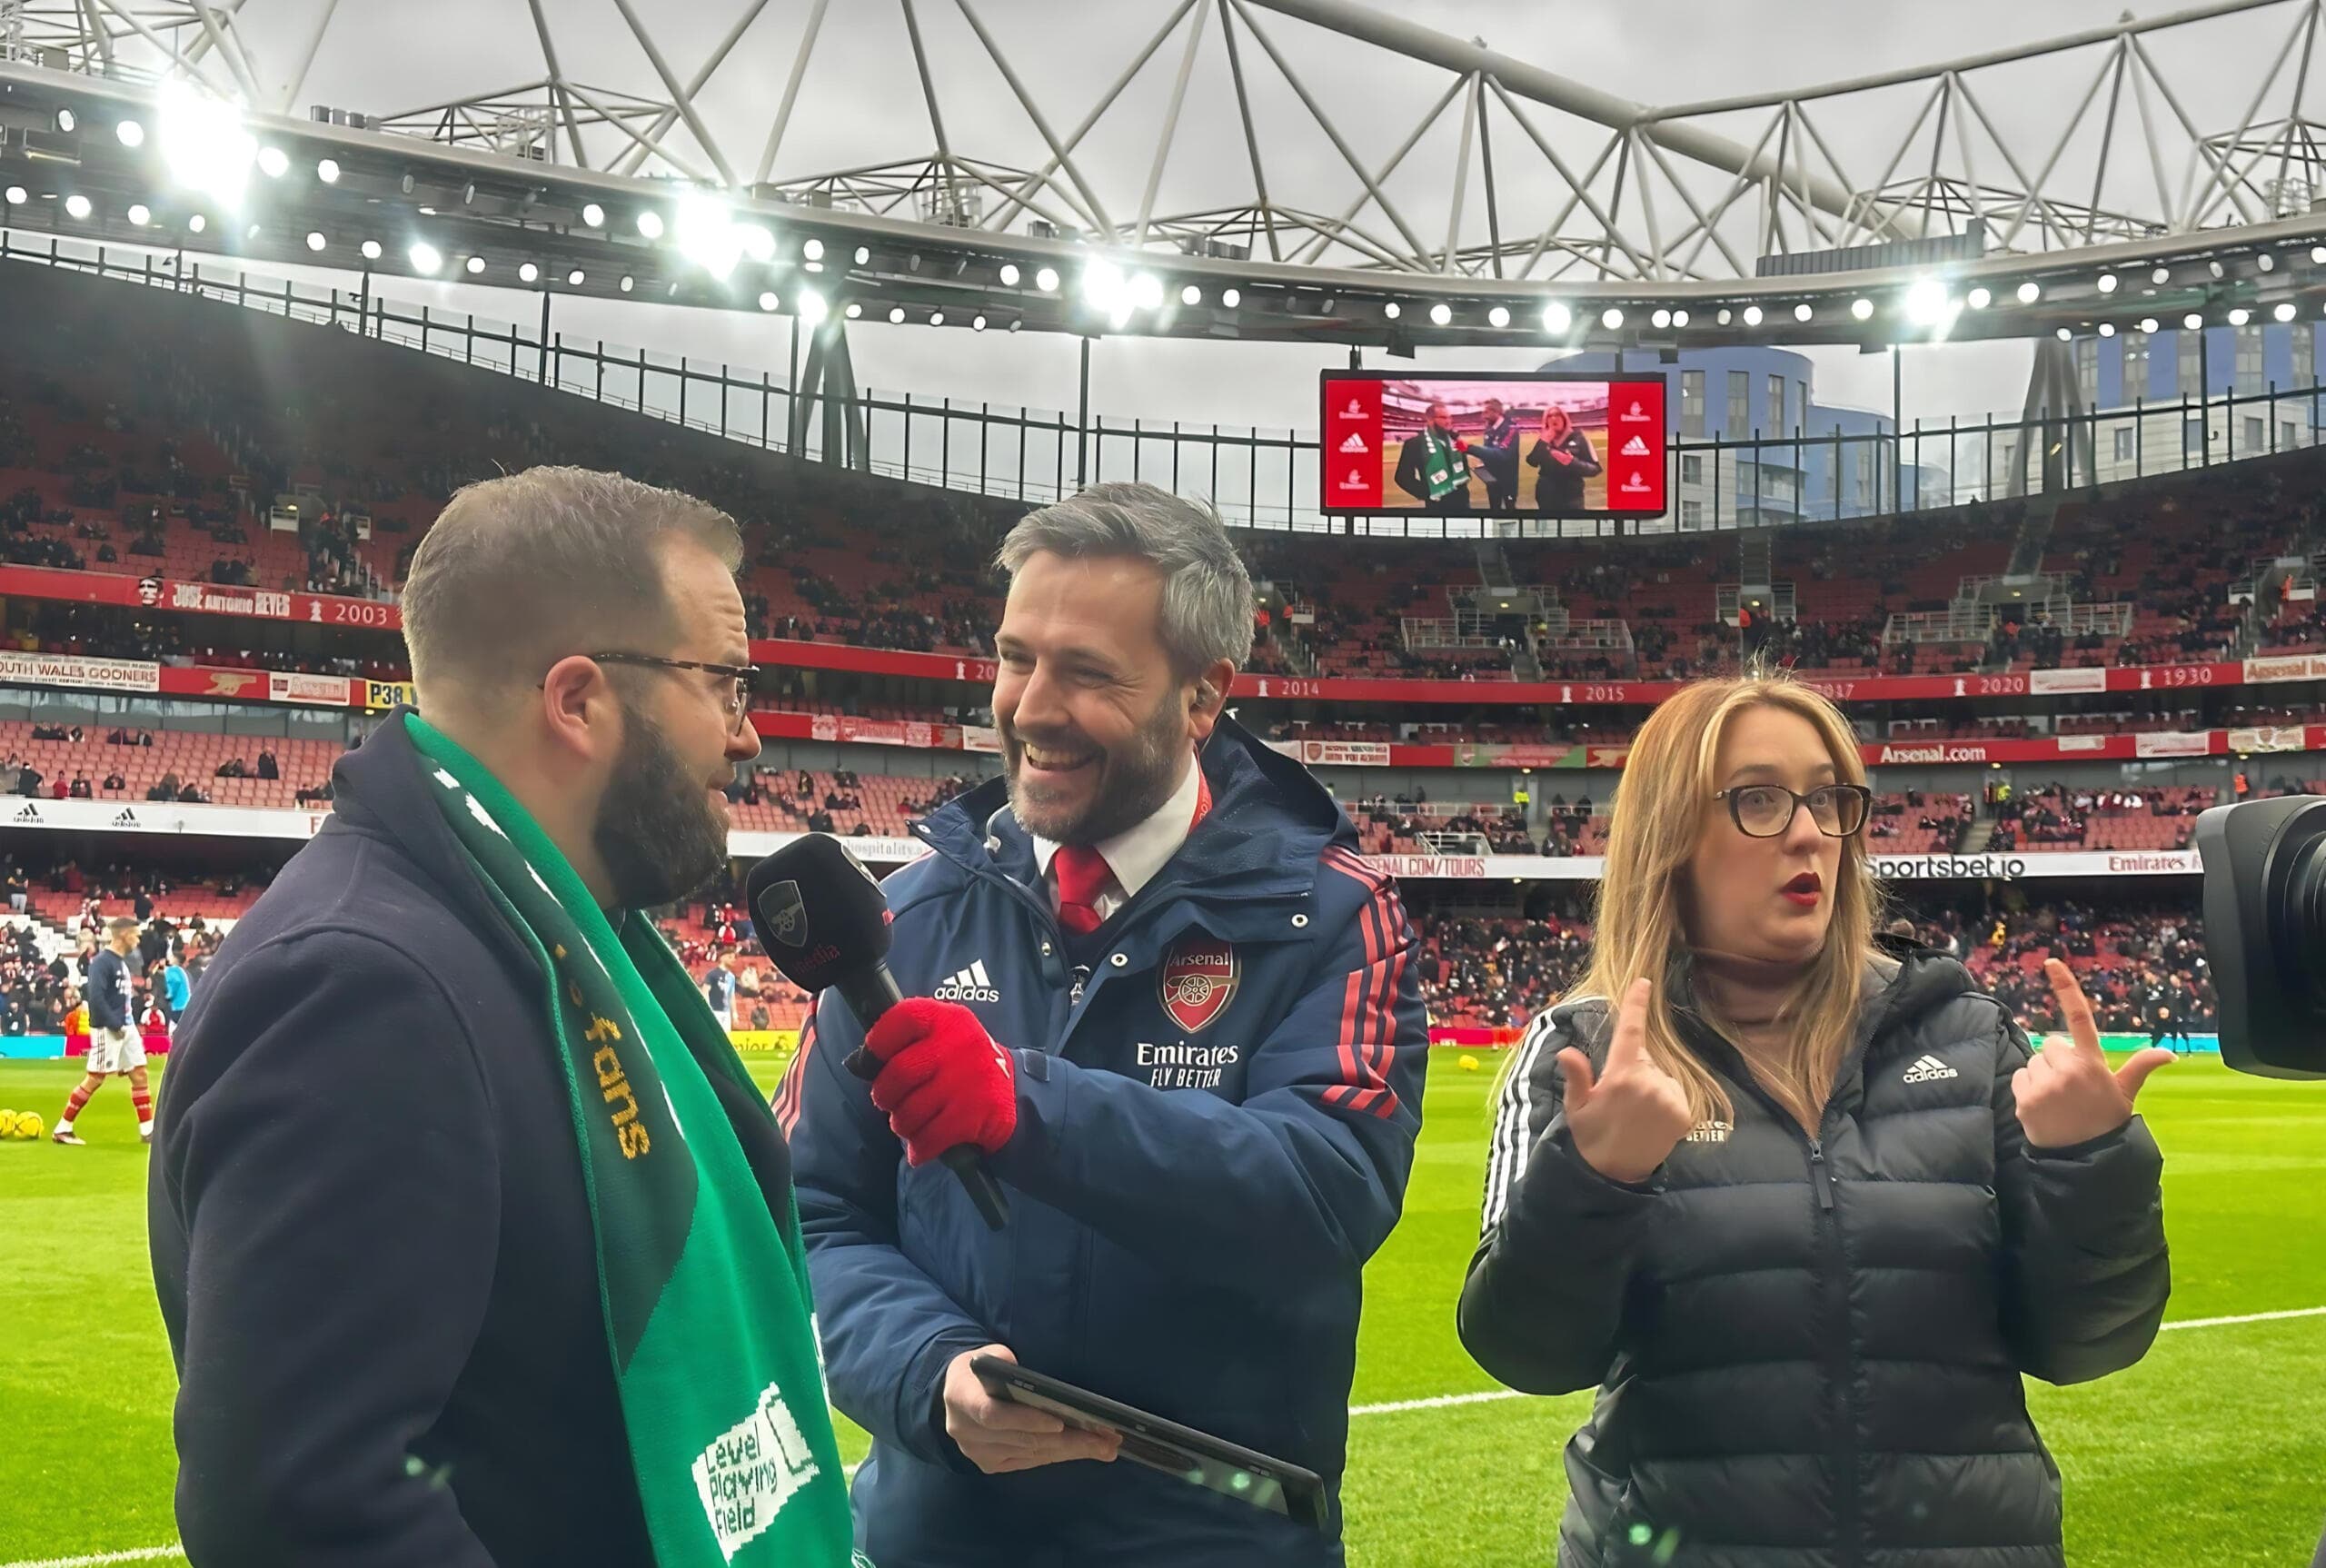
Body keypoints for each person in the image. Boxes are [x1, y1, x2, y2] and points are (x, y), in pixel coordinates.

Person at [151, 467, 854, 1567]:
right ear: (576, 700)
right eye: (724, 681)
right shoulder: (366, 988)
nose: (747, 735)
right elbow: (302, 1514)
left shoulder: (566, 943)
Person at [781, 481, 1428, 1566]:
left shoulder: (1331, 916)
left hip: (1216, 1542)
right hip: (933, 1537)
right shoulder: (905, 921)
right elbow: (812, 1217)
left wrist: (1023, 1105)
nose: (1031, 706)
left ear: (1202, 696)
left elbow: (1326, 1194)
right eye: (1014, 655)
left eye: (1086, 672)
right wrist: (926, 1369)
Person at [1460, 673, 2170, 1568]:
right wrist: (1593, 1180)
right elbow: (1525, 1351)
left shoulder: (1967, 1033)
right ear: (1670, 834)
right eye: (1759, 799)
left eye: (1829, 798)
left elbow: (2087, 1341)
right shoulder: (1584, 1052)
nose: (1808, 831)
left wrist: (2090, 1163)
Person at [53, 917, 152, 1146]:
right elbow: (95, 998)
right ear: (124, 935)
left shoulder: (120, 963)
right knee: (95, 1078)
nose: (138, 939)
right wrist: (114, 1024)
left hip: (125, 1026)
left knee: (140, 1073)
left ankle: (148, 1130)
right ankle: (63, 1128)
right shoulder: (101, 963)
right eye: (135, 935)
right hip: (109, 1029)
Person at [1393, 401, 1476, 512]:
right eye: (1443, 418)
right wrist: (1427, 493)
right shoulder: (1414, 444)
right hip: (1437, 505)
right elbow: (1402, 477)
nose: (1448, 421)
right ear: (1430, 420)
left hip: (1463, 502)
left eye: (1450, 418)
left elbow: (1465, 469)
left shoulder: (1456, 440)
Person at [1526, 405, 1603, 515]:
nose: (1553, 418)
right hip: (1546, 497)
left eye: (1557, 415)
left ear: (1564, 419)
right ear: (1546, 421)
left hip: (1572, 498)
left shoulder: (1579, 438)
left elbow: (1595, 469)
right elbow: (1532, 461)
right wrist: (1543, 442)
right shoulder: (1544, 440)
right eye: (1550, 416)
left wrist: (1572, 462)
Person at [1474, 396, 1522, 512]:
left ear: (1496, 412)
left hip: (1507, 480)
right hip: (1491, 479)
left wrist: (1472, 449)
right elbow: (1488, 450)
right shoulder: (1489, 428)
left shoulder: (1511, 428)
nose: (1483, 416)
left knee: (1510, 509)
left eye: (1486, 412)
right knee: (1494, 509)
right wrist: (1481, 462)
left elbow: (1502, 454)